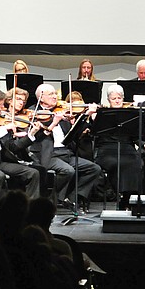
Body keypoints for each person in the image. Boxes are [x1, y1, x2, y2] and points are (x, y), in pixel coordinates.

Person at [29, 83, 104, 211]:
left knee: (94, 169)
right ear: (41, 98)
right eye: (51, 94)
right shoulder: (33, 113)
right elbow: (35, 138)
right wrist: (54, 122)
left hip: (65, 153)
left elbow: (74, 135)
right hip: (48, 155)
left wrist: (85, 116)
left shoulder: (61, 111)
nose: (55, 97)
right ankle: (52, 197)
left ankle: (73, 197)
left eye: (55, 94)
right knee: (68, 171)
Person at [91, 85, 144, 209]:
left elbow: (135, 135)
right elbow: (94, 134)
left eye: (119, 98)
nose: (117, 100)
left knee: (137, 162)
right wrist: (93, 119)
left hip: (127, 147)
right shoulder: (102, 114)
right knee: (117, 163)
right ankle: (118, 195)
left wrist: (144, 144)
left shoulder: (130, 114)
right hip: (106, 149)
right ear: (109, 99)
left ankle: (128, 198)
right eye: (113, 98)